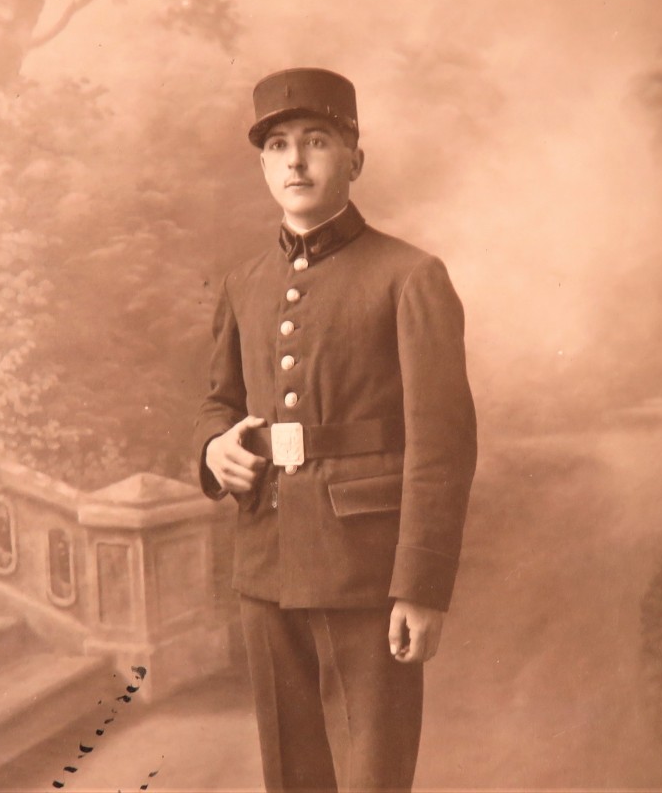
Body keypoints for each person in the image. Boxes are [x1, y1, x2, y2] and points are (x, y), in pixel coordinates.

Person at [193, 67, 477, 793]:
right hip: (267, 557)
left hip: (368, 569)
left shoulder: (409, 276)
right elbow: (219, 403)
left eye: (316, 141)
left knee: (371, 775)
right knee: (290, 772)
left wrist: (420, 585)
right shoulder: (245, 281)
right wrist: (214, 448)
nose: (295, 161)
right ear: (261, 162)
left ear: (355, 158)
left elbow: (442, 445)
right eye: (278, 145)